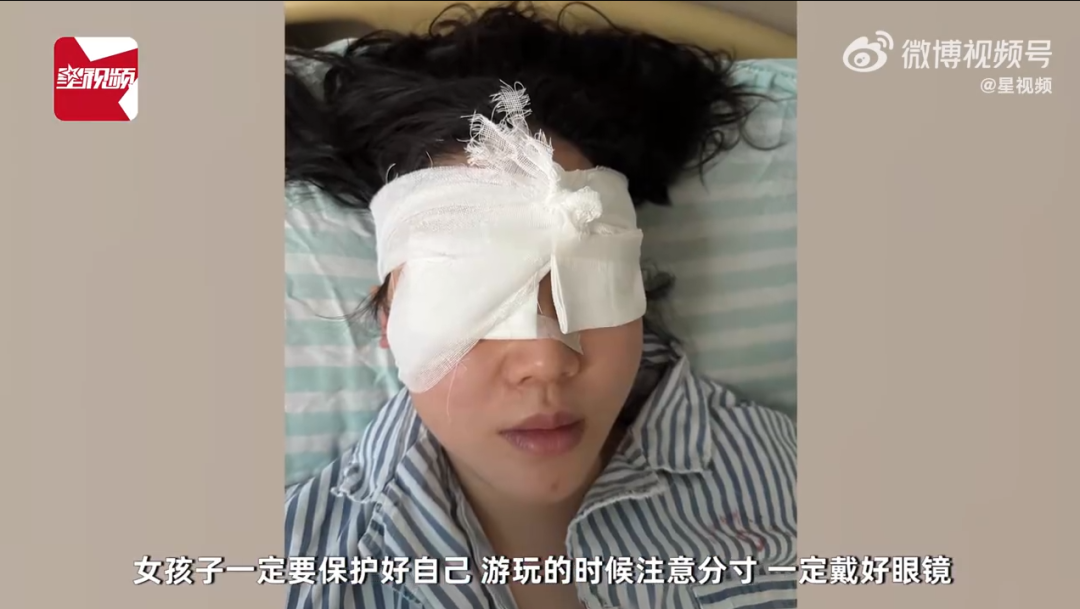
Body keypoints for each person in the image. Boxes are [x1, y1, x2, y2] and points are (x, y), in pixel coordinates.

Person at [284, 3, 797, 608]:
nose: (546, 360)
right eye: (473, 297)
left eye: (593, 285)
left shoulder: (792, 480)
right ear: (389, 323)